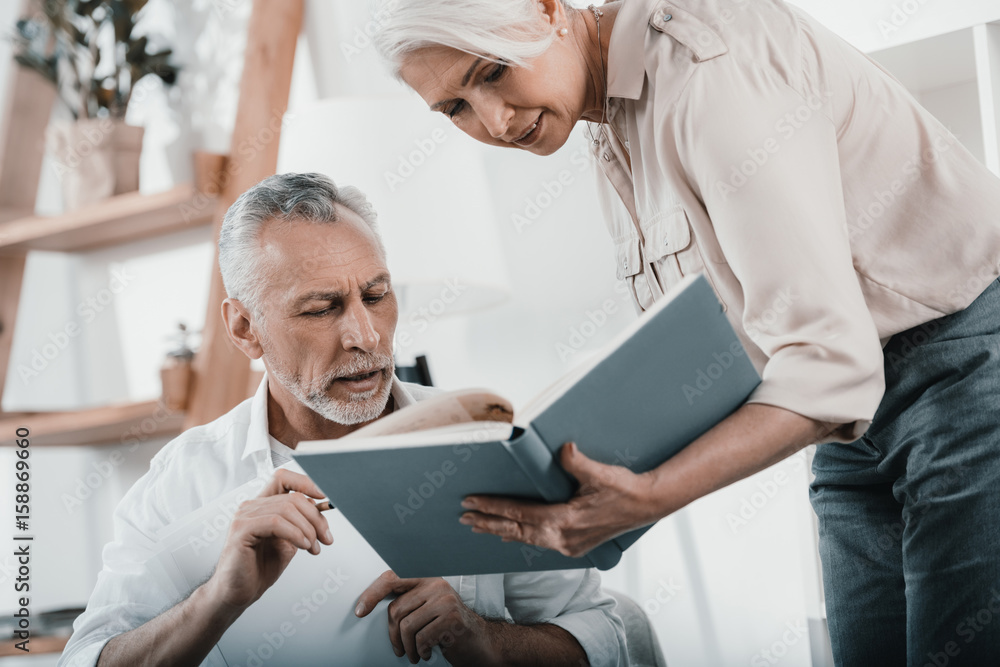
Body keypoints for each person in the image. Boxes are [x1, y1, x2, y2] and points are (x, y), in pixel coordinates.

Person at [373, 0, 1000, 664]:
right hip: (852, 423)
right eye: (455, 109)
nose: (493, 120)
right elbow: (715, 351)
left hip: (961, 370)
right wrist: (496, 523)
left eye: (494, 71)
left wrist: (650, 496)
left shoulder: (707, 72)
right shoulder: (607, 119)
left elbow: (827, 361)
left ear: (549, 9)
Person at [58, 173, 628, 667]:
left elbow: (606, 638)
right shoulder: (182, 481)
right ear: (243, 329)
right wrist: (216, 601)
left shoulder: (484, 442)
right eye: (322, 308)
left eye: (376, 296)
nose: (366, 336)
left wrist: (486, 640)